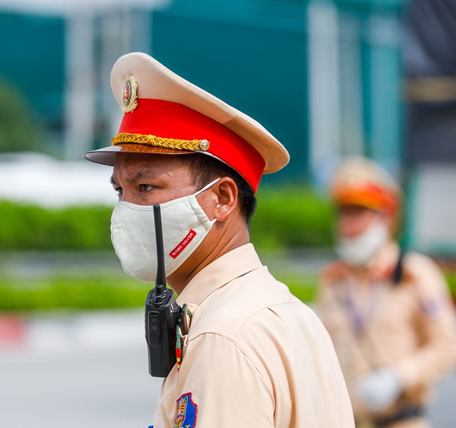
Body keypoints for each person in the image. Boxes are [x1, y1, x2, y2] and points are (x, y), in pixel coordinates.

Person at [83, 52, 354, 427]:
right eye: (120, 190)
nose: (127, 208)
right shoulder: (279, 307)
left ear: (222, 199)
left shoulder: (222, 333)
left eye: (146, 186)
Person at [316, 157, 456, 428]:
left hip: (401, 420)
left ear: (385, 217)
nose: (347, 224)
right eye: (343, 212)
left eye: (358, 212)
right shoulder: (333, 280)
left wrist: (398, 377)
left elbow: (450, 346)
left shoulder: (415, 274)